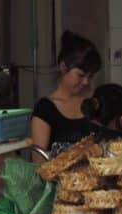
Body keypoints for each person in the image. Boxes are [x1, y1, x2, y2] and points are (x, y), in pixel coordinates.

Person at [30, 30, 101, 159]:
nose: (86, 82)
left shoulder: (90, 103)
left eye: (90, 76)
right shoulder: (45, 109)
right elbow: (38, 160)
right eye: (81, 75)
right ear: (63, 67)